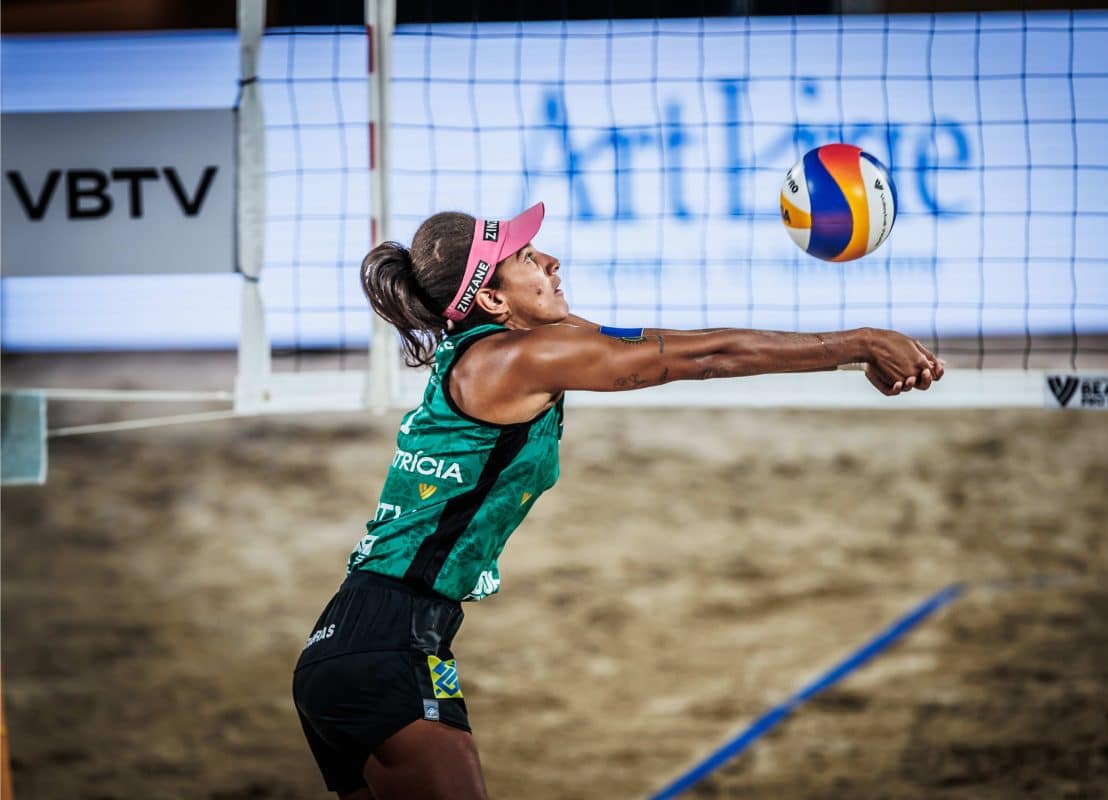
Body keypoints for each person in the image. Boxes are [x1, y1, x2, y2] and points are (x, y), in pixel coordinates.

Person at [292, 202, 944, 799]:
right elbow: (706, 357)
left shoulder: (494, 347)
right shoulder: (515, 360)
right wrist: (857, 342)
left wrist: (848, 355)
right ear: (490, 297)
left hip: (350, 644)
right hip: (390, 650)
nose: (548, 260)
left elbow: (658, 343)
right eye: (525, 258)